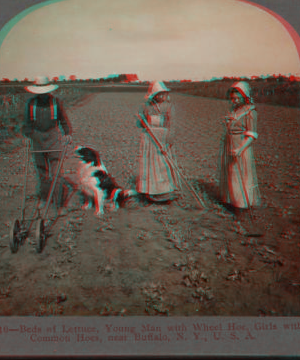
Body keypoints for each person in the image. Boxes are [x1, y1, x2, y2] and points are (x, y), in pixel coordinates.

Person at [22, 75, 72, 214]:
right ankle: (44, 199)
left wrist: (67, 134)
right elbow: (26, 126)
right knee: (42, 173)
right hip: (37, 140)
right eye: (40, 92)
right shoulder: (30, 104)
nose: (42, 95)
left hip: (53, 138)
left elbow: (63, 120)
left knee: (56, 174)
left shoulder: (56, 102)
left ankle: (59, 204)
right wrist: (28, 136)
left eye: (44, 92)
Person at [219, 81, 261, 220]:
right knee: (231, 174)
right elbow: (232, 125)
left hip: (241, 147)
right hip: (230, 145)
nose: (234, 101)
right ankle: (232, 201)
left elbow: (251, 135)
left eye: (236, 98)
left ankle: (241, 206)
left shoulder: (250, 112)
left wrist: (240, 148)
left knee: (241, 175)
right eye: (232, 98)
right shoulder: (234, 110)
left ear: (244, 97)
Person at [136, 80, 179, 203]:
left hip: (162, 140)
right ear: (153, 95)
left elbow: (172, 126)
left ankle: (164, 191)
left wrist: (168, 144)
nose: (161, 97)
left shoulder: (168, 107)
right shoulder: (146, 106)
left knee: (163, 166)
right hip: (149, 140)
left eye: (163, 94)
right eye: (158, 94)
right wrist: (141, 121)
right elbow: (140, 124)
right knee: (151, 166)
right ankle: (151, 192)